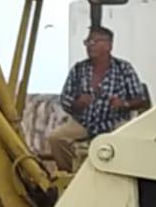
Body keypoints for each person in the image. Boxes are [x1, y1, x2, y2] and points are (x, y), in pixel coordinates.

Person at [48, 26, 149, 172]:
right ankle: (73, 175)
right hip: (83, 123)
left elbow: (142, 100)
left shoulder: (124, 68)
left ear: (109, 45)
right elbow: (65, 99)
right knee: (56, 139)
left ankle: (120, 177)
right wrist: (77, 103)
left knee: (128, 143)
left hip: (114, 122)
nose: (90, 45)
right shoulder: (78, 69)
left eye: (95, 41)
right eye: (88, 41)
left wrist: (124, 103)